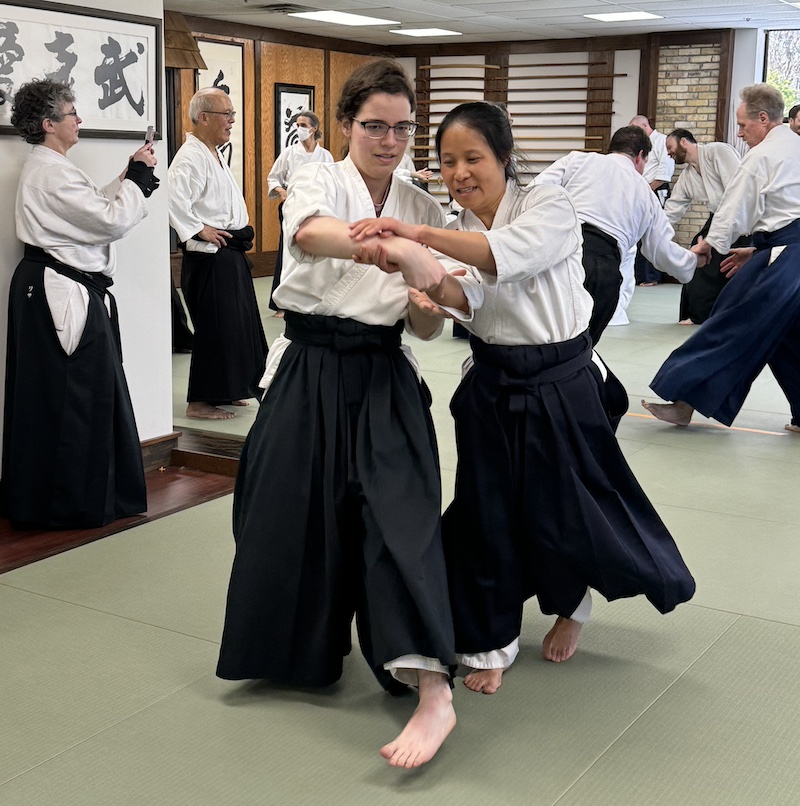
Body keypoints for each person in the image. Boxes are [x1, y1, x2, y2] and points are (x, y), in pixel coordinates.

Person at [350, 101, 695, 695]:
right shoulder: (467, 228)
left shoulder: (549, 206)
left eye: (473, 158)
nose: (460, 173)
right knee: (484, 513)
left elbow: (509, 258)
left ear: (505, 158)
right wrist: (437, 294)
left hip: (562, 383)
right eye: (449, 161)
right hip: (492, 383)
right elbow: (478, 300)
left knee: (561, 509)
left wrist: (418, 235)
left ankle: (572, 606)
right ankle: (491, 639)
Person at [216, 58, 457, 769]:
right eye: (375, 126)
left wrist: (423, 305)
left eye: (402, 127)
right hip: (309, 364)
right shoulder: (319, 175)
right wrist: (396, 252)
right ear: (349, 124)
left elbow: (428, 328)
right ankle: (292, 652)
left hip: (383, 370)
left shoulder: (423, 205)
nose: (390, 140)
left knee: (402, 518)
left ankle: (432, 688)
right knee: (286, 513)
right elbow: (312, 235)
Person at [2, 78, 158, 528]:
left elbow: (89, 206)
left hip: (61, 286)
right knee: (73, 395)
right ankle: (67, 504)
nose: (80, 120)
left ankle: (82, 497)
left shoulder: (55, 167)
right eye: (72, 113)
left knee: (80, 392)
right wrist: (138, 185)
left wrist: (130, 176)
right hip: (60, 290)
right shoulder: (48, 171)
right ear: (49, 124)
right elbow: (107, 220)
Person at [642, 84, 800, 433]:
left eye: (743, 125)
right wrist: (759, 248)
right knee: (788, 331)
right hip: (782, 246)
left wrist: (709, 245)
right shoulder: (794, 145)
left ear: (763, 118)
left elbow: (733, 208)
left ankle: (683, 397)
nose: (740, 134)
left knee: (732, 316)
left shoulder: (762, 156)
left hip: (787, 249)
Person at [533, 125, 698, 345]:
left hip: (560, 255)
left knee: (542, 339)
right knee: (579, 348)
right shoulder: (643, 190)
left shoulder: (578, 160)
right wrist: (693, 260)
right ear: (640, 156)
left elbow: (535, 190)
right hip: (603, 268)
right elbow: (660, 251)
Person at [168, 88, 267, 421]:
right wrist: (198, 229)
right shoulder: (190, 156)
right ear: (204, 117)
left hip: (228, 253)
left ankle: (230, 389)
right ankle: (199, 401)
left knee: (237, 326)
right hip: (209, 256)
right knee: (215, 328)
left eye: (232, 114)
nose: (232, 121)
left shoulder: (213, 152)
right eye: (227, 114)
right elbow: (172, 199)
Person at [663, 128, 748, 325]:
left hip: (743, 213)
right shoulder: (687, 176)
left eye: (670, 147)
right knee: (699, 255)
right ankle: (698, 313)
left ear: (683, 141)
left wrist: (721, 233)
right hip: (718, 216)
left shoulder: (717, 151)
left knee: (733, 264)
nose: (668, 153)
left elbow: (737, 189)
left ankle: (730, 314)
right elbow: (673, 208)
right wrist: (654, 230)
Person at [266, 110, 333, 316]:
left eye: (303, 125)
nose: (299, 129)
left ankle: (313, 299)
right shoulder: (288, 153)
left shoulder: (326, 155)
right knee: (288, 253)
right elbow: (273, 178)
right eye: (297, 125)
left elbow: (333, 182)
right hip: (292, 206)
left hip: (317, 208)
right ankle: (283, 304)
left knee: (317, 253)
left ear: (314, 128)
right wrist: (281, 192)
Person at [630, 114, 676, 286]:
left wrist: (646, 191)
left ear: (644, 126)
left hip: (656, 191)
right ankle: (639, 274)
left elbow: (664, 173)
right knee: (639, 232)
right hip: (642, 191)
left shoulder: (662, 142)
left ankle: (651, 276)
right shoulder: (641, 145)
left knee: (653, 231)